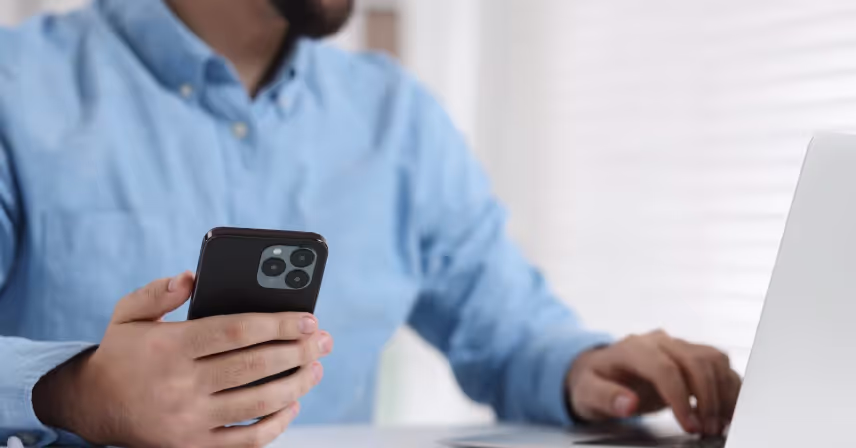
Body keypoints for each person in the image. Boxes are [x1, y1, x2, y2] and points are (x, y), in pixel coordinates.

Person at [0, 0, 741, 446]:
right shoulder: (15, 87)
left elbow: (509, 331)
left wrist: (588, 369)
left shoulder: (397, 119)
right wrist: (70, 390)